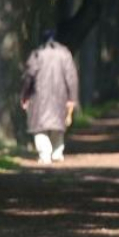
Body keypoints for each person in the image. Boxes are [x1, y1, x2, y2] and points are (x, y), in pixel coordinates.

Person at [20, 30, 80, 164]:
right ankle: (57, 152)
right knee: (57, 125)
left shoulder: (37, 54)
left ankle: (45, 154)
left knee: (40, 127)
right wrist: (72, 97)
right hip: (61, 96)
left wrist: (25, 94)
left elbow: (29, 76)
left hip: (39, 97)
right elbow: (71, 77)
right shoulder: (65, 54)